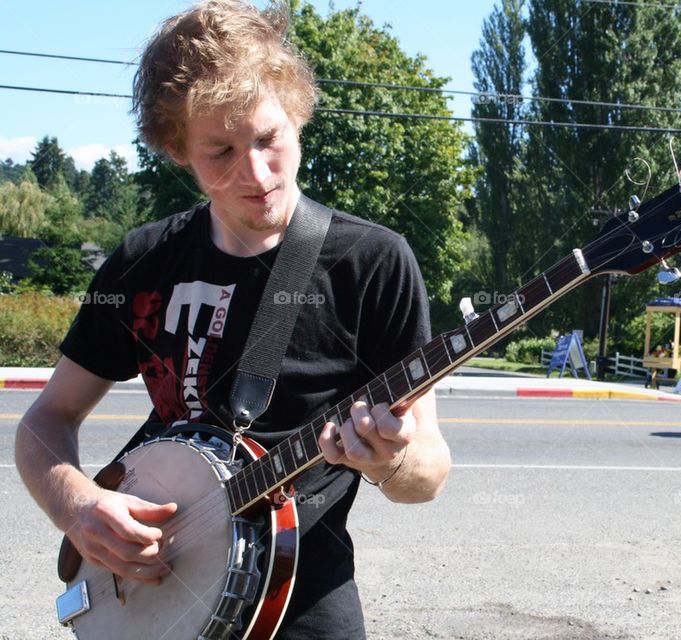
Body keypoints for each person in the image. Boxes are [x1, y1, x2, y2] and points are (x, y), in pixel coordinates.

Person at [13, 2, 451, 638]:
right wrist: (78, 505)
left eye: (269, 138)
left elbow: (427, 473)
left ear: (298, 116)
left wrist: (386, 460)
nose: (256, 173)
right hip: (148, 596)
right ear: (176, 150)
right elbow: (46, 421)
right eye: (220, 150)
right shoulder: (143, 261)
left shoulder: (371, 262)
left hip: (296, 602)